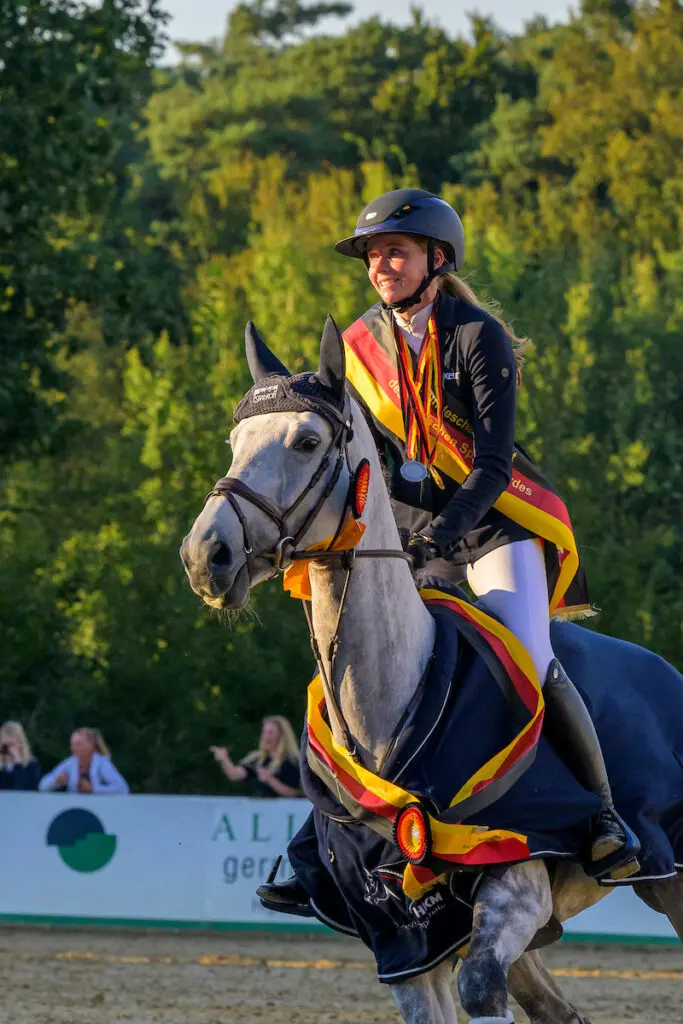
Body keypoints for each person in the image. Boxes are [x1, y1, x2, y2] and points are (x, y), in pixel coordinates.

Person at [259, 188, 638, 912]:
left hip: (493, 527)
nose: (381, 266)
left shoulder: (475, 333)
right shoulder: (363, 344)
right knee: (349, 666)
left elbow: (491, 467)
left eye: (394, 253)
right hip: (407, 538)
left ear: (436, 258)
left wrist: (443, 532)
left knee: (529, 656)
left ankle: (601, 813)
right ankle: (318, 849)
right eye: (372, 256)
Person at [210, 716, 302, 797]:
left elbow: (295, 793)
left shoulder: (291, 761)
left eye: (271, 733)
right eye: (265, 732)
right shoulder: (257, 759)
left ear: (282, 736)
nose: (266, 737)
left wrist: (270, 780)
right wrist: (224, 759)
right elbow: (235, 774)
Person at [38, 727, 129, 794]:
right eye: (72, 745)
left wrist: (94, 789)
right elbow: (42, 786)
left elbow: (122, 789)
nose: (73, 748)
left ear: (91, 745)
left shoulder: (102, 763)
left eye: (78, 744)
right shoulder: (70, 763)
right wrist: (56, 781)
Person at [0, 721, 40, 790]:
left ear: (20, 744)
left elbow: (26, 788)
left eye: (11, 745)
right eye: (5, 745)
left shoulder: (31, 766)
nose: (8, 749)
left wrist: (18, 765)